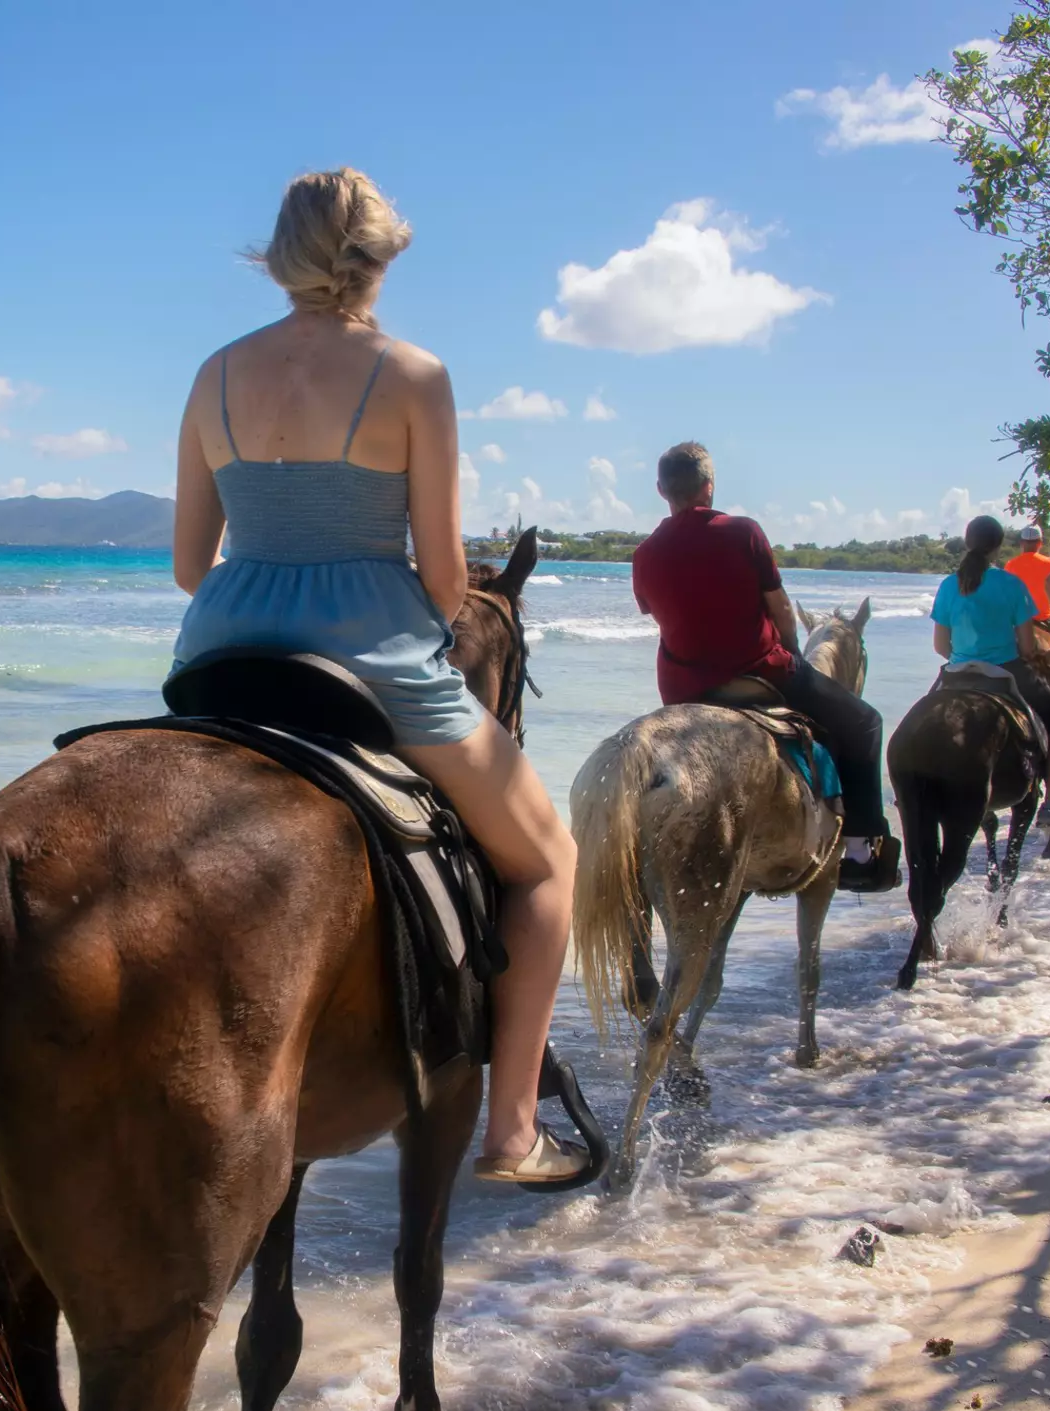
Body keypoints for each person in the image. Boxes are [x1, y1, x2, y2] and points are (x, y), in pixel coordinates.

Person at [168, 168, 585, 1184]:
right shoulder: (412, 375)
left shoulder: (213, 373)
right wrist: (410, 610)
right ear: (380, 257)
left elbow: (188, 565)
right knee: (544, 861)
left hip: (216, 659)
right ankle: (513, 1128)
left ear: (277, 258)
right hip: (371, 662)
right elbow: (445, 576)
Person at [630, 442, 900, 893]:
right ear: (710, 487)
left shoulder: (645, 554)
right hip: (758, 672)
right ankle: (857, 849)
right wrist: (791, 654)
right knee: (865, 721)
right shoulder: (744, 532)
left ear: (661, 490)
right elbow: (780, 610)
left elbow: (660, 613)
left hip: (684, 690)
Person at [933, 516, 1050, 830]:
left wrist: (964, 657)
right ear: (998, 546)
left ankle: (909, 793)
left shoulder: (948, 584)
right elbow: (1027, 647)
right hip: (1005, 672)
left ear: (968, 543)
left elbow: (940, 645)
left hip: (956, 672)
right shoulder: (1011, 584)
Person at [1003, 523, 1050, 627]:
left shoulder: (1010, 565)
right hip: (1046, 619)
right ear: (1040, 543)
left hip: (1019, 621)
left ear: (1021, 543)